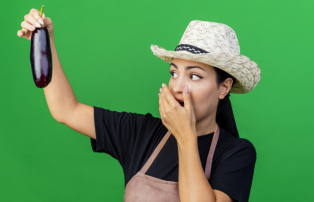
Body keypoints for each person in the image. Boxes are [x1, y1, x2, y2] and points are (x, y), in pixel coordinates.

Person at [18, 8, 261, 202]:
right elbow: (66, 110)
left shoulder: (236, 154)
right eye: (174, 73)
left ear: (224, 87)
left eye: (194, 76)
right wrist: (44, 41)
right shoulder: (141, 133)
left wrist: (186, 136)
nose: (177, 86)